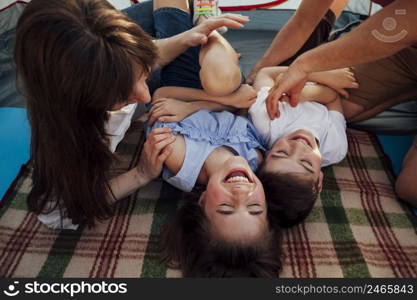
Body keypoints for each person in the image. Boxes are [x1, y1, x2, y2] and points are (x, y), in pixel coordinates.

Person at [13, 0, 248, 229]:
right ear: (81, 102)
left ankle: (200, 18)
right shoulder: (65, 140)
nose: (146, 96)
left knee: (188, 42)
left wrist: (187, 38)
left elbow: (144, 58)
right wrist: (140, 174)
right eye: (121, 96)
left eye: (144, 73)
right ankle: (198, 18)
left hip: (132, 42)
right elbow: (57, 214)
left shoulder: (111, 56)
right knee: (214, 76)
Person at [145, 1, 282, 277]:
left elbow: (161, 98)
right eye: (255, 207)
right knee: (220, 78)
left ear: (201, 202)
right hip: (223, 81)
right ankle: (210, 29)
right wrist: (229, 99)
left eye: (226, 207)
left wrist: (197, 105)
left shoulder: (175, 156)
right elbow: (243, 105)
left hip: (182, 83)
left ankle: (204, 25)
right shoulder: (256, 158)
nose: (242, 194)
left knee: (174, 20)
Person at [260, 0, 417, 204]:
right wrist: (258, 72)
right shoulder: (333, 147)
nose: (298, 148)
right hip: (404, 47)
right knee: (410, 188)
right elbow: (303, 21)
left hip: (404, 25)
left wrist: (308, 67)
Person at [249, 66, 356, 227]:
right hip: (319, 82)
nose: (298, 147)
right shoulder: (336, 148)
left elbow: (265, 73)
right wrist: (308, 93)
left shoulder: (267, 121)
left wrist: (316, 73)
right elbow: (334, 99)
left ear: (267, 153)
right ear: (319, 180)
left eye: (282, 153)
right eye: (306, 163)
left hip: (297, 67)